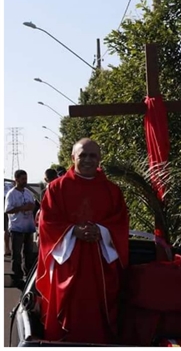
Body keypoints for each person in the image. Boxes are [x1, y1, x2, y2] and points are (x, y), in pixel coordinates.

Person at [36, 138, 129, 344]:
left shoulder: (112, 191)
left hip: (101, 261)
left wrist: (101, 230)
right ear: (73, 158)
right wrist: (73, 231)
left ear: (99, 159)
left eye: (92, 155)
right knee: (69, 305)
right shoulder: (56, 189)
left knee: (101, 306)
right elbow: (47, 222)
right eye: (82, 155)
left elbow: (120, 222)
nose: (87, 160)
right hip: (68, 260)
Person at [4, 170, 37, 283]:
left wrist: (30, 207)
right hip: (17, 228)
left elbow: (33, 205)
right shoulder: (11, 194)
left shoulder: (28, 192)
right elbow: (8, 210)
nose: (25, 181)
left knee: (28, 253)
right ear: (16, 179)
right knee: (16, 253)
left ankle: (28, 275)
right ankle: (17, 275)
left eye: (26, 179)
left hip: (28, 227)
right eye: (22, 179)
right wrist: (22, 208)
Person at [4, 181, 14, 257]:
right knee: (6, 229)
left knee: (6, 229)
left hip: (7, 208)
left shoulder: (9, 185)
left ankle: (7, 248)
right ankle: (6, 249)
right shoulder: (9, 185)